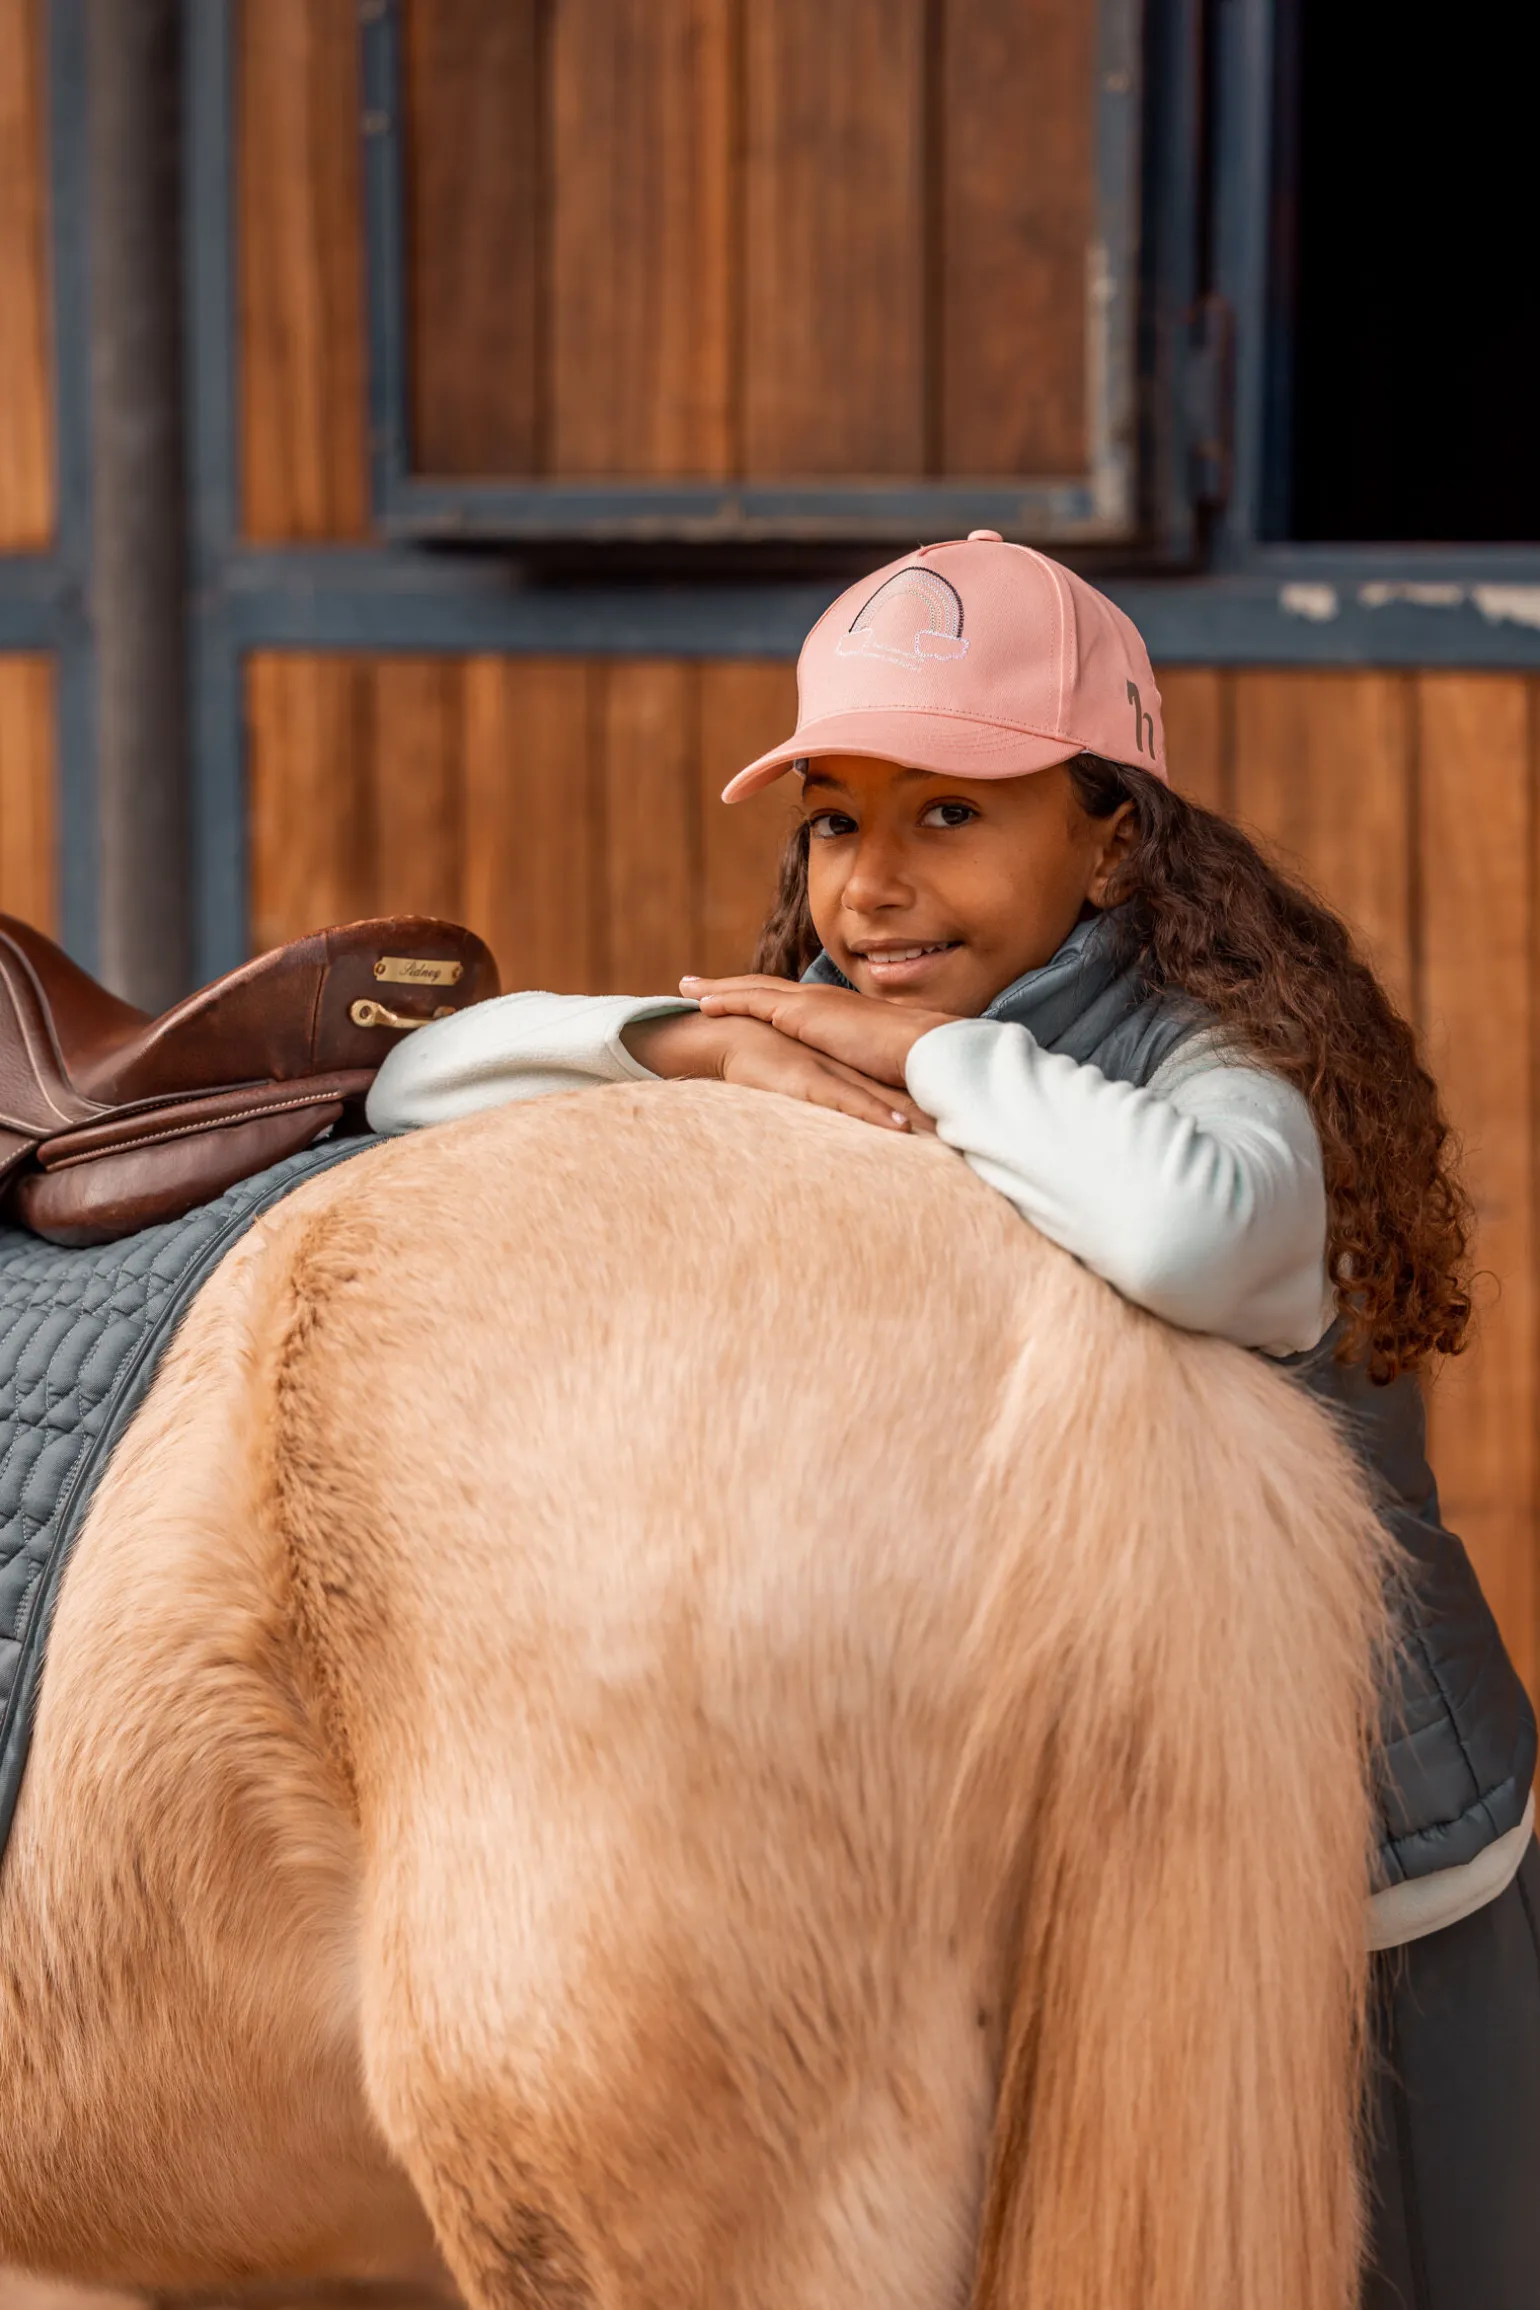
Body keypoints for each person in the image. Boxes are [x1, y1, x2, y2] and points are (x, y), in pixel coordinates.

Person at [367, 534, 1539, 2309]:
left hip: (1374, 1871)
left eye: (950, 814)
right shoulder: (825, 1033)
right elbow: (415, 1081)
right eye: (837, 819)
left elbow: (1195, 1232)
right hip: (1094, 1873)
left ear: (1112, 838)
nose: (874, 885)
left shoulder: (1208, 1063)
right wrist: (701, 1047)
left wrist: (926, 1061)